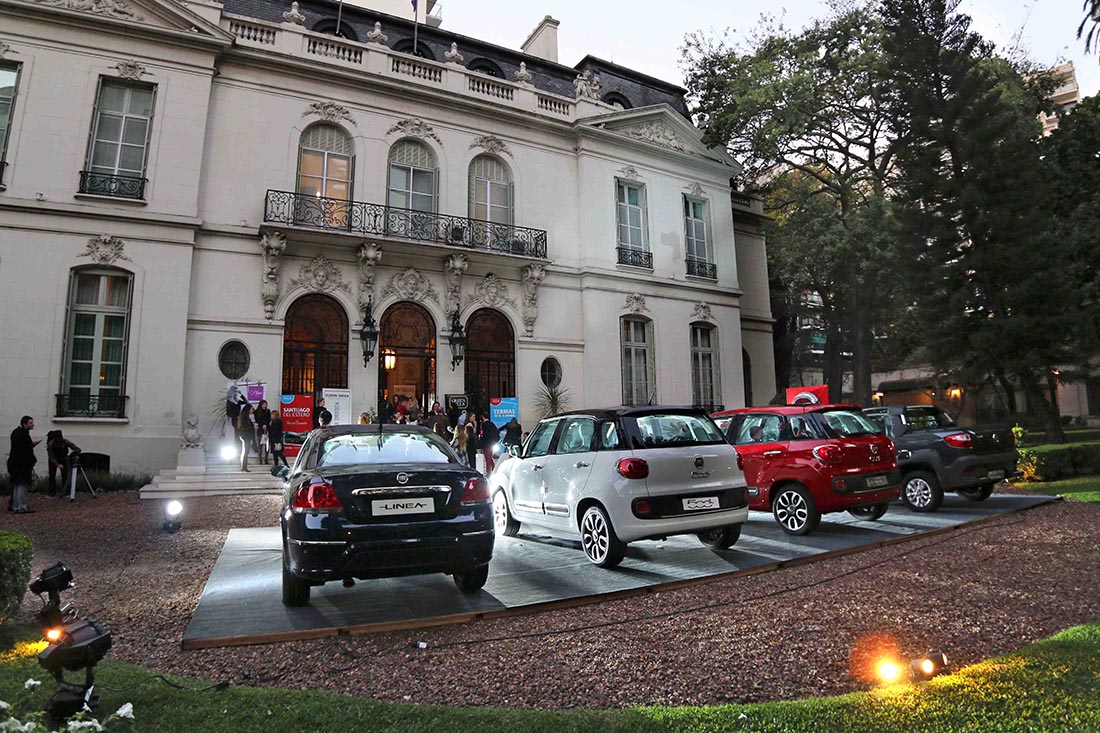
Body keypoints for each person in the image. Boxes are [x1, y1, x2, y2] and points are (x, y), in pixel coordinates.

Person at [7, 416, 40, 514]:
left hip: (15, 463)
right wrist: (33, 460)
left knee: (16, 485)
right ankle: (22, 507)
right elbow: (25, 450)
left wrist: (31, 445)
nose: (32, 424)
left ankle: (15, 506)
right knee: (22, 485)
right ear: (24, 424)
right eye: (30, 423)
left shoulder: (16, 433)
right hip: (22, 464)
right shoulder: (23, 435)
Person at [46, 429, 80, 497]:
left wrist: (71, 456)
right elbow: (51, 457)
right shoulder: (50, 444)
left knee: (65, 476)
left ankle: (65, 491)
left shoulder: (65, 441)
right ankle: (52, 492)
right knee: (52, 476)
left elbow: (77, 449)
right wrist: (57, 464)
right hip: (54, 460)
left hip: (64, 459)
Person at [238, 403, 256, 472]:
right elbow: (246, 428)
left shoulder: (245, 418)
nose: (252, 410)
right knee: (246, 451)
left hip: (246, 436)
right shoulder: (245, 419)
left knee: (245, 451)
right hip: (246, 436)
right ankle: (244, 466)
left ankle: (244, 466)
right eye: (251, 409)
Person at [254, 400, 272, 464]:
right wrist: (262, 425)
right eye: (263, 404)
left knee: (267, 445)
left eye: (265, 404)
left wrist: (266, 425)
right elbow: (257, 420)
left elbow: (269, 419)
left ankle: (266, 459)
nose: (265, 406)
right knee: (260, 445)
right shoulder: (257, 412)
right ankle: (260, 459)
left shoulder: (268, 411)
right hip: (260, 429)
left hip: (267, 429)